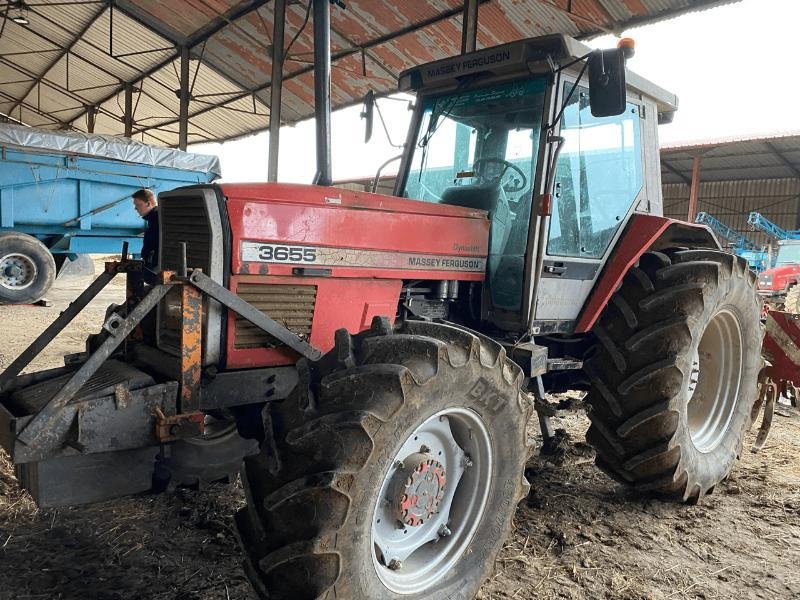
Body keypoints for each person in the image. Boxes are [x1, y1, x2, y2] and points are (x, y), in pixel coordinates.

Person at [132, 188, 159, 269]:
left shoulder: (157, 220)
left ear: (148, 204)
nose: (135, 208)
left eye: (138, 205)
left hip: (157, 268)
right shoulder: (153, 219)